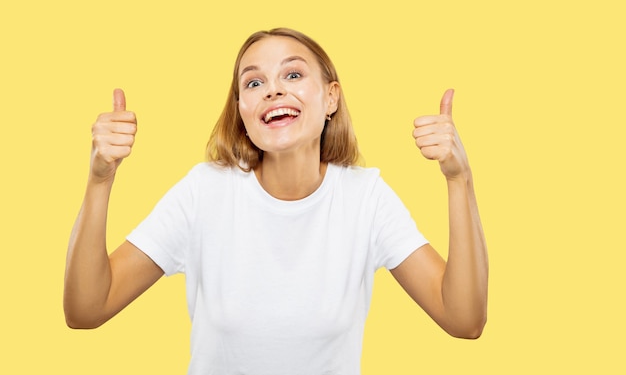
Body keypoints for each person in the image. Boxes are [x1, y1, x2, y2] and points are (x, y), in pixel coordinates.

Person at [64, 28, 488, 374]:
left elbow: (464, 319)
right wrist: (100, 179)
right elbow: (86, 308)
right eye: (253, 82)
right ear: (243, 113)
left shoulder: (365, 197)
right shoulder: (204, 192)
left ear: (331, 99)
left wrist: (459, 179)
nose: (272, 91)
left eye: (292, 75)